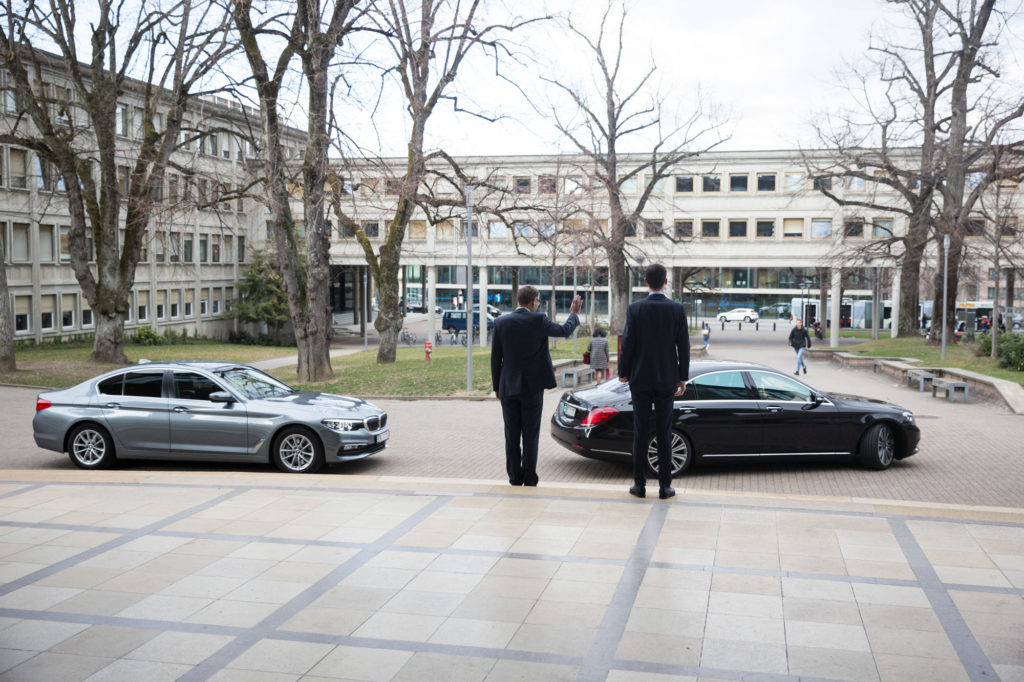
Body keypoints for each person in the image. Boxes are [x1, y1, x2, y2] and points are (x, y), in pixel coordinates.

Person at [491, 286, 582, 486]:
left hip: (508, 387)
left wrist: (497, 386)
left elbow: (495, 358)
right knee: (530, 434)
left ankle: (514, 477)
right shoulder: (538, 319)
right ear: (533, 301)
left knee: (511, 434)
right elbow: (564, 330)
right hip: (532, 388)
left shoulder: (500, 322)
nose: (538, 304)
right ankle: (530, 477)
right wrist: (574, 314)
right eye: (538, 301)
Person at [618, 263, 689, 500]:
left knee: (640, 430)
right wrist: (682, 377)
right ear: (665, 282)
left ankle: (639, 485)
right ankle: (664, 487)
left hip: (640, 379)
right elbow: (684, 346)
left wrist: (623, 371)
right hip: (667, 379)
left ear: (646, 282)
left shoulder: (635, 309)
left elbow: (627, 344)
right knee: (664, 432)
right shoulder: (677, 310)